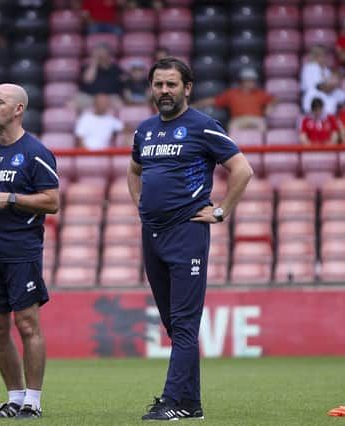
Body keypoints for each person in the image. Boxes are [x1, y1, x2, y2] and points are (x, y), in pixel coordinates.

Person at [127, 57, 253, 421]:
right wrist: (140, 204)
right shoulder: (145, 131)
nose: (164, 91)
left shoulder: (203, 126)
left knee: (183, 323)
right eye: (158, 85)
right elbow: (134, 171)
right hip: (152, 233)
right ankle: (191, 403)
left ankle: (172, 401)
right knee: (174, 325)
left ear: (187, 88)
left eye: (171, 84)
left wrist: (221, 211)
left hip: (186, 234)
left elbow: (242, 169)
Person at [0, 83, 59, 420]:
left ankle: (33, 400)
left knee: (28, 324)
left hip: (21, 251)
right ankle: (14, 397)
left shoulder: (36, 152)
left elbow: (53, 201)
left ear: (18, 109)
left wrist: (12, 198)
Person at [192, 67, 276, 132]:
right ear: (242, 81)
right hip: (238, 120)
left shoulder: (260, 93)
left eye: (252, 80)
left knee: (263, 127)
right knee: (232, 128)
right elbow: (214, 101)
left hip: (256, 119)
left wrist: (270, 106)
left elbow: (273, 99)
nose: (251, 83)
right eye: (248, 80)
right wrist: (195, 105)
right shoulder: (232, 94)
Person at [75, 43, 125, 110]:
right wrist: (94, 63)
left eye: (103, 53)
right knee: (72, 105)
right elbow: (87, 80)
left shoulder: (116, 69)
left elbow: (124, 81)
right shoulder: (87, 67)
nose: (100, 56)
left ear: (108, 55)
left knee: (120, 105)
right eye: (98, 53)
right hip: (89, 97)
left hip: (109, 97)